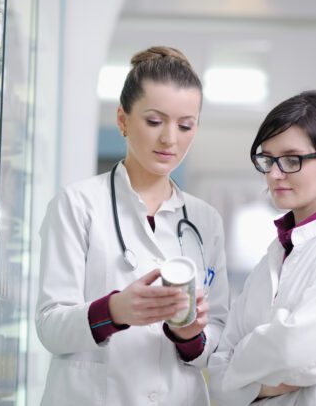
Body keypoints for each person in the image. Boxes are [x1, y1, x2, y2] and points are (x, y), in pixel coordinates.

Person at [36, 46, 229, 406]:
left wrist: (188, 334)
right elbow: (50, 327)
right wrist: (115, 311)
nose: (170, 138)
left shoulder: (205, 221)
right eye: (154, 121)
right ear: (123, 120)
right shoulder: (78, 204)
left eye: (185, 125)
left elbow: (216, 342)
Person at [208, 90, 316, 406]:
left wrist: (244, 376)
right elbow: (216, 379)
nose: (274, 173)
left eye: (292, 159)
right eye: (268, 159)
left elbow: (295, 350)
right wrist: (266, 382)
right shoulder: (270, 260)